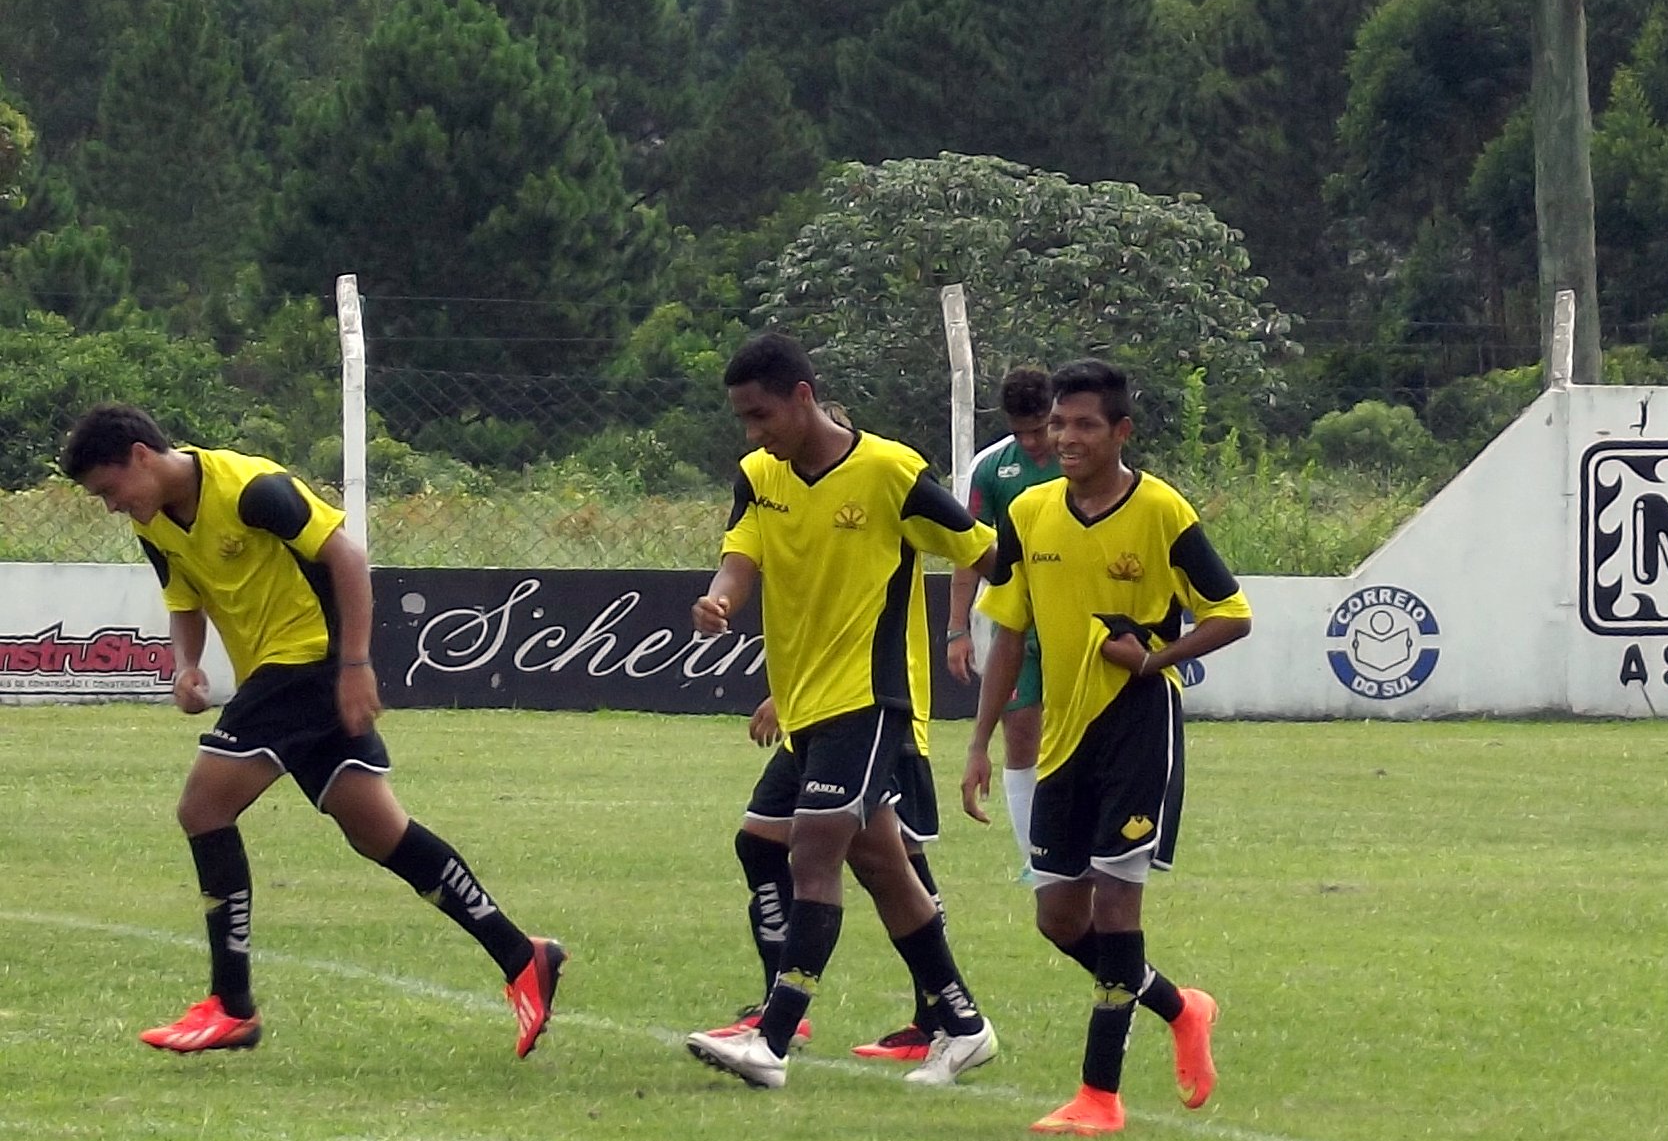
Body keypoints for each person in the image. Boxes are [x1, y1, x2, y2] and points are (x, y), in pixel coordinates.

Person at [62, 406, 565, 1056]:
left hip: (309, 663)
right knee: (379, 832)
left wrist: (354, 666)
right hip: (280, 676)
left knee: (202, 808)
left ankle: (231, 1006)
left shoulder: (252, 488)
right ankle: (522, 955)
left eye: (109, 489)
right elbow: (184, 599)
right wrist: (186, 665)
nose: (111, 506)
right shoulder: (152, 520)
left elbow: (347, 557)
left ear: (139, 456)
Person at [684, 333, 999, 1091]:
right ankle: (963, 1026)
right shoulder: (760, 475)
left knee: (813, 852)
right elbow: (741, 556)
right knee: (859, 861)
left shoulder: (890, 472)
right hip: (805, 704)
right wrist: (720, 600)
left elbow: (986, 554)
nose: (752, 433)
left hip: (871, 697)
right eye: (742, 419)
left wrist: (1043, 611)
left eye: (760, 415)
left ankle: (772, 1040)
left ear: (803, 396)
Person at [963, 359, 1252, 1135]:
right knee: (1058, 918)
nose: (1066, 437)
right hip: (1060, 739)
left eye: (1085, 424)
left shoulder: (1159, 510)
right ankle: (1180, 1007)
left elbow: (1231, 612)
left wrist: (1155, 660)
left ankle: (1099, 1096)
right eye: (1059, 423)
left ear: (1121, 431)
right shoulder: (1028, 511)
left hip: (1137, 727)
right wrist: (980, 741)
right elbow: (1009, 630)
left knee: (1117, 904)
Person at [945, 366, 1062, 881]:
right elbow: (968, 549)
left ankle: (1085, 850)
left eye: (1040, 429)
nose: (1033, 442)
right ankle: (1035, 860)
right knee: (1020, 734)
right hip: (1018, 623)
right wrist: (957, 630)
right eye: (1021, 432)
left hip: (1078, 621)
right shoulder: (992, 467)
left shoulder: (1084, 455)